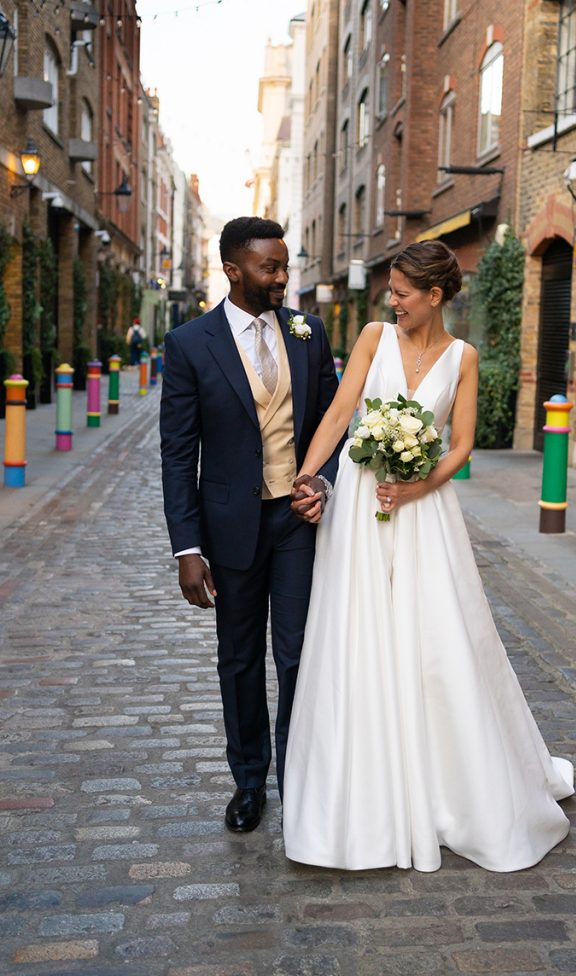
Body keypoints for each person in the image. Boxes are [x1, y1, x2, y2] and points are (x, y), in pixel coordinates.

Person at [283, 240, 574, 874]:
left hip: (424, 509)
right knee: (359, 632)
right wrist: (304, 477)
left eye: (403, 293)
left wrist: (419, 485)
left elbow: (462, 443)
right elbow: (338, 414)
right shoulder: (371, 338)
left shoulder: (464, 358)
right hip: (364, 506)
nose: (393, 300)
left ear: (435, 296)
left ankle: (455, 783)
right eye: (391, 290)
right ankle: (370, 786)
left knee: (438, 636)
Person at [159, 216, 342, 834]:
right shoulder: (190, 344)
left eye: (285, 265)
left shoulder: (309, 332)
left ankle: (298, 780)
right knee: (239, 660)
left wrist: (321, 481)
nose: (283, 277)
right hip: (230, 526)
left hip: (295, 523)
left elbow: (330, 428)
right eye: (271, 267)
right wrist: (187, 548)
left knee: (296, 657)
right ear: (234, 271)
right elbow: (179, 453)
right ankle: (248, 781)